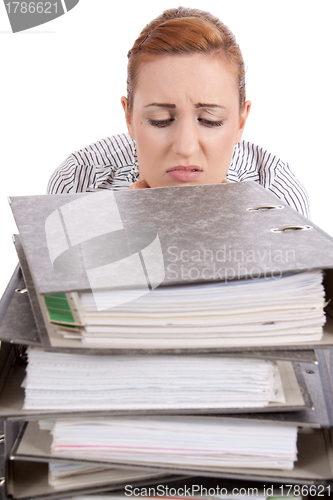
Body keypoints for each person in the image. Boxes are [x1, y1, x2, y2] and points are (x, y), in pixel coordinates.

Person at [47, 6, 310, 218]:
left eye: (210, 120)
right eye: (159, 120)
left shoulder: (275, 188)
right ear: (129, 117)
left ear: (241, 121)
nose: (185, 147)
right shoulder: (79, 180)